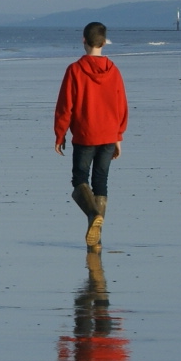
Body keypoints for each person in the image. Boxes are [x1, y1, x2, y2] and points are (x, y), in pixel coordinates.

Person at [53, 21, 127, 248]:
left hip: (86, 135)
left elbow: (65, 105)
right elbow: (121, 105)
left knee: (79, 180)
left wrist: (60, 133)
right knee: (100, 182)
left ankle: (94, 215)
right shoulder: (113, 70)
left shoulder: (75, 70)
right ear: (104, 43)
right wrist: (118, 135)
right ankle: (97, 239)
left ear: (83, 40)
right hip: (108, 134)